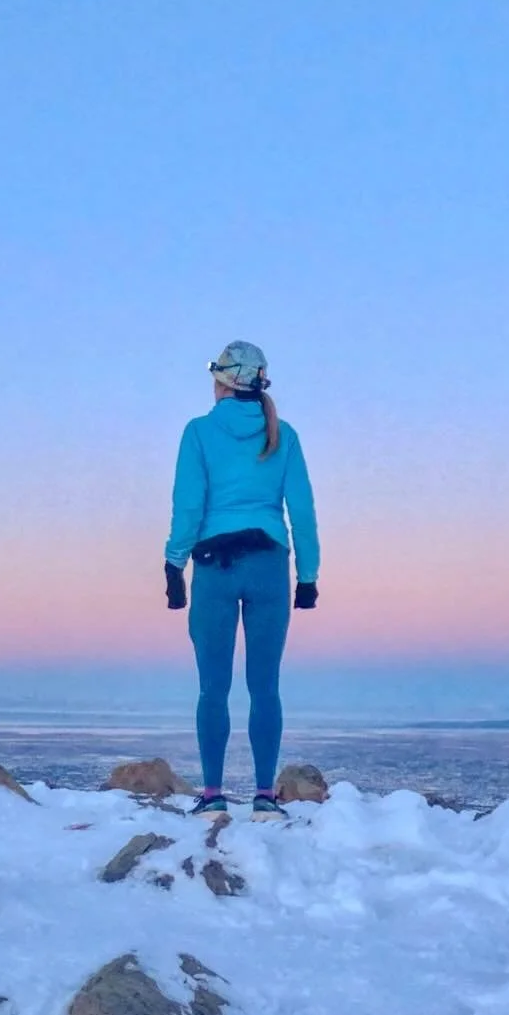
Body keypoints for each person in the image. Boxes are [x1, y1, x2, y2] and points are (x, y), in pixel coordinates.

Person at [164, 341, 320, 817]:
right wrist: (308, 576)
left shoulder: (198, 433)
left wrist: (174, 564)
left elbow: (188, 506)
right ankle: (265, 796)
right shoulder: (284, 435)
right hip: (270, 566)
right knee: (264, 686)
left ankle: (212, 796)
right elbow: (303, 512)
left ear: (222, 382)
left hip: (214, 567)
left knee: (213, 687)